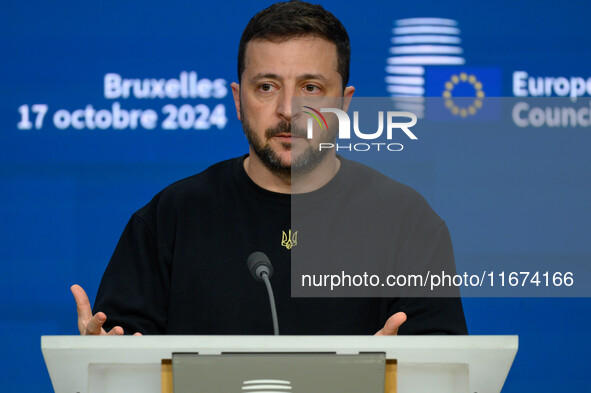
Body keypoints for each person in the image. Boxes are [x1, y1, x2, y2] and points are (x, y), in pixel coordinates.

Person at [72, 1, 467, 337]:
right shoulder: (171, 217)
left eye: (311, 87)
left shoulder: (406, 221)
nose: (288, 110)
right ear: (238, 99)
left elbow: (448, 374)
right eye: (266, 87)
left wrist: (389, 372)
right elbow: (120, 357)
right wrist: (102, 363)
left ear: (344, 104)